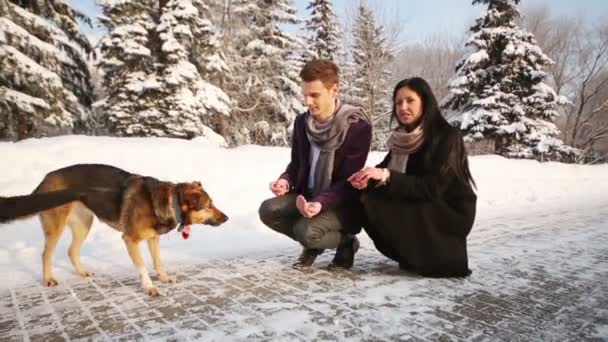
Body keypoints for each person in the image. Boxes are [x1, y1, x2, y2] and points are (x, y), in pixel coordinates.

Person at [348, 77, 477, 277]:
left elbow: (432, 187)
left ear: (425, 102)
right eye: (398, 102)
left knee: (383, 200)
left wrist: (384, 175)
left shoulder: (447, 137)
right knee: (364, 196)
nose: (403, 107)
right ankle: (406, 254)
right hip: (422, 201)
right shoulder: (402, 137)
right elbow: (386, 168)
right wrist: (366, 176)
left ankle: (429, 257)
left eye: (410, 101)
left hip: (447, 210)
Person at [258, 59, 372, 270]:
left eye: (315, 95)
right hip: (306, 196)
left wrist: (320, 203)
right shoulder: (302, 123)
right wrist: (285, 181)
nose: (308, 102)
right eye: (305, 95)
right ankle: (312, 240)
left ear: (334, 90)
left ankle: (346, 243)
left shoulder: (357, 128)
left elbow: (348, 181)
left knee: (305, 231)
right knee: (268, 210)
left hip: (340, 203)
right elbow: (296, 164)